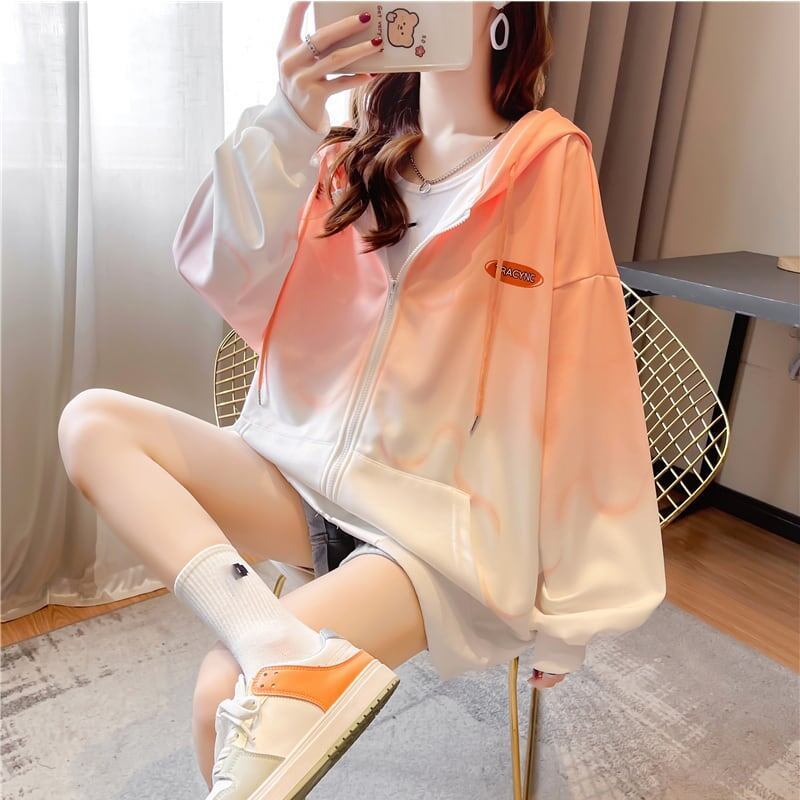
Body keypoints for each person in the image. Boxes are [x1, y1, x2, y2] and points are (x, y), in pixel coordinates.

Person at [57, 2, 667, 798]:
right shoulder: (347, 157)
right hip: (301, 481)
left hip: (434, 536)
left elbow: (586, 387)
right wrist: (289, 113)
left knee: (223, 693)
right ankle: (273, 640)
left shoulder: (550, 165)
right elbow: (215, 265)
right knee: (92, 422)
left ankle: (270, 657)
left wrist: (575, 612)